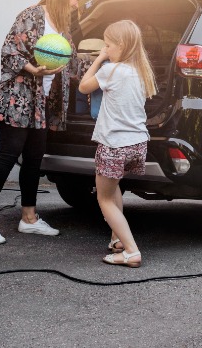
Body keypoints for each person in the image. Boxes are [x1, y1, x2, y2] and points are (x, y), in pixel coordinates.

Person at [0, 0, 84, 245]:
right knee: (8, 155)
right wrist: (34, 69)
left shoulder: (63, 30)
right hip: (17, 98)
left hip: (40, 103)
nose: (77, 6)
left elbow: (71, 62)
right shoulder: (32, 15)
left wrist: (107, 60)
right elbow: (9, 51)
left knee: (34, 159)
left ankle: (29, 218)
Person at [78, 19, 157, 268]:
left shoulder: (111, 70)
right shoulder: (141, 72)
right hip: (137, 143)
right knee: (114, 191)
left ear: (121, 45)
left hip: (114, 145)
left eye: (108, 45)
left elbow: (83, 86)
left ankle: (131, 251)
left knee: (104, 198)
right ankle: (118, 240)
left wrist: (99, 59)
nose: (106, 49)